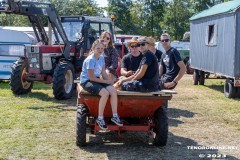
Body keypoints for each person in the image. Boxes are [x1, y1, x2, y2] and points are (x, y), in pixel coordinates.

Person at [80, 39, 123, 130]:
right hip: (87, 81)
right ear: (93, 48)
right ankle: (100, 118)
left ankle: (115, 115)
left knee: (113, 90)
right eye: (98, 48)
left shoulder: (102, 58)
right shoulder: (90, 60)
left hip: (96, 80)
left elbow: (103, 72)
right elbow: (91, 78)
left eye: (102, 48)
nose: (100, 50)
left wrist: (109, 82)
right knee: (105, 93)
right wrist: (106, 82)